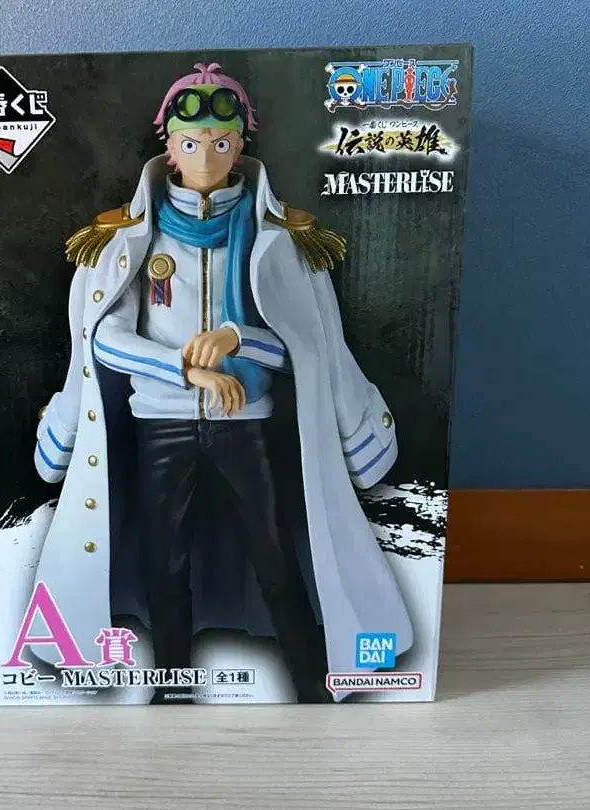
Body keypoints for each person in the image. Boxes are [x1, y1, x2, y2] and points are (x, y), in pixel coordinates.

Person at [32, 62, 413, 704]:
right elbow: (105, 338)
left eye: (220, 141)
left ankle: (312, 682)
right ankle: (172, 687)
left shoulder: (280, 239)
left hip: (245, 423)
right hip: (161, 423)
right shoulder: (130, 238)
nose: (205, 156)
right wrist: (186, 367)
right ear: (169, 148)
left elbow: (307, 348)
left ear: (240, 146)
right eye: (190, 142)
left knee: (275, 558)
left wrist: (238, 340)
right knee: (164, 564)